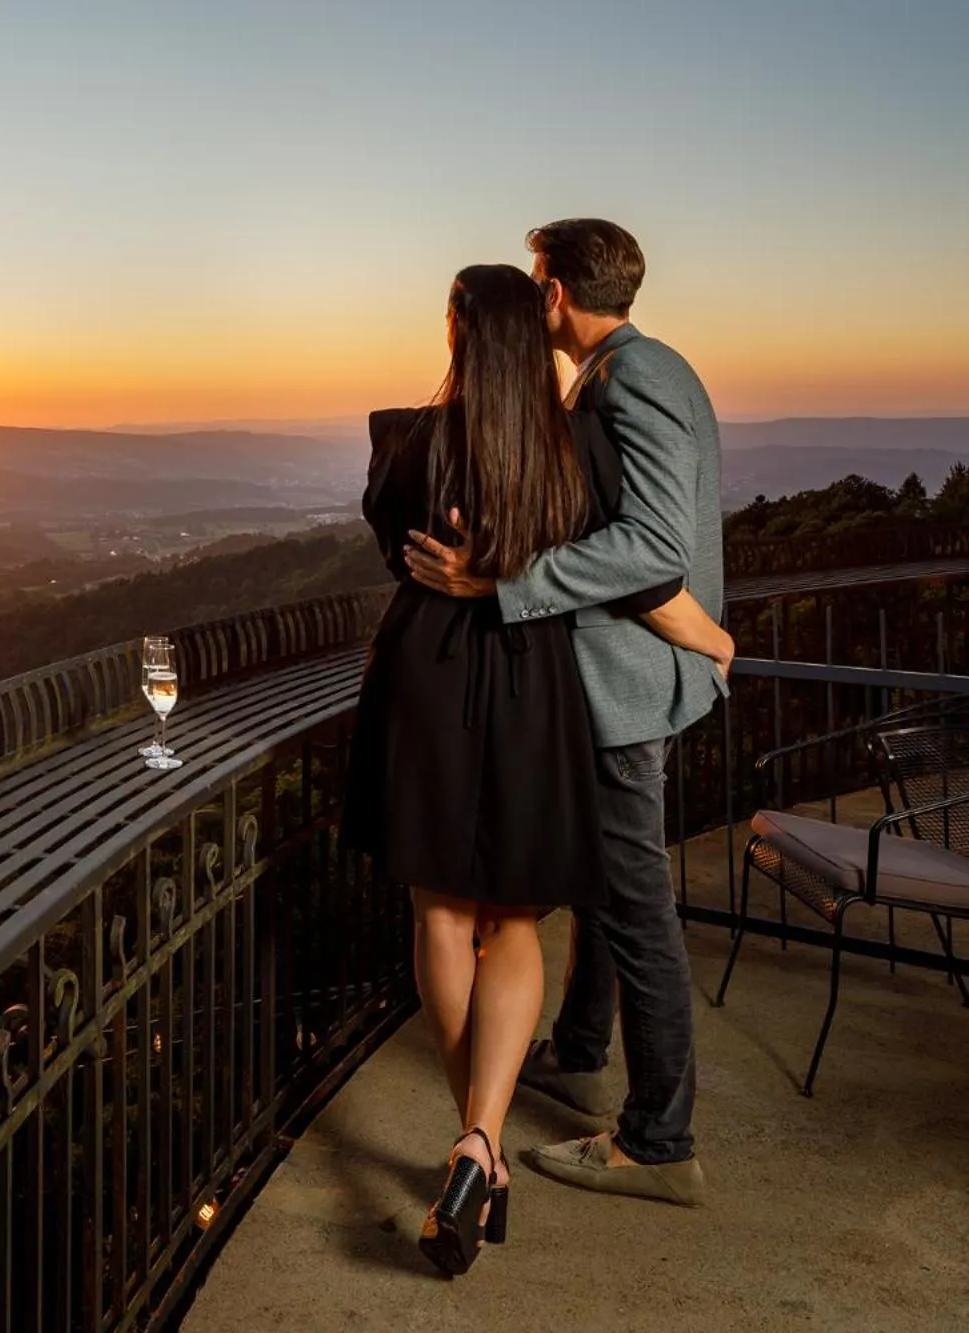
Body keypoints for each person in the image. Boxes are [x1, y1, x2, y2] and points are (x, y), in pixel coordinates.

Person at [343, 261, 730, 1276]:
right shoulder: (582, 448)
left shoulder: (409, 441)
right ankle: (484, 1137)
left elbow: (391, 541)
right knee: (512, 919)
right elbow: (641, 571)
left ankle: (475, 1141)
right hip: (531, 683)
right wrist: (710, 638)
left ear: (457, 333)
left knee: (440, 914)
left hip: (429, 676)